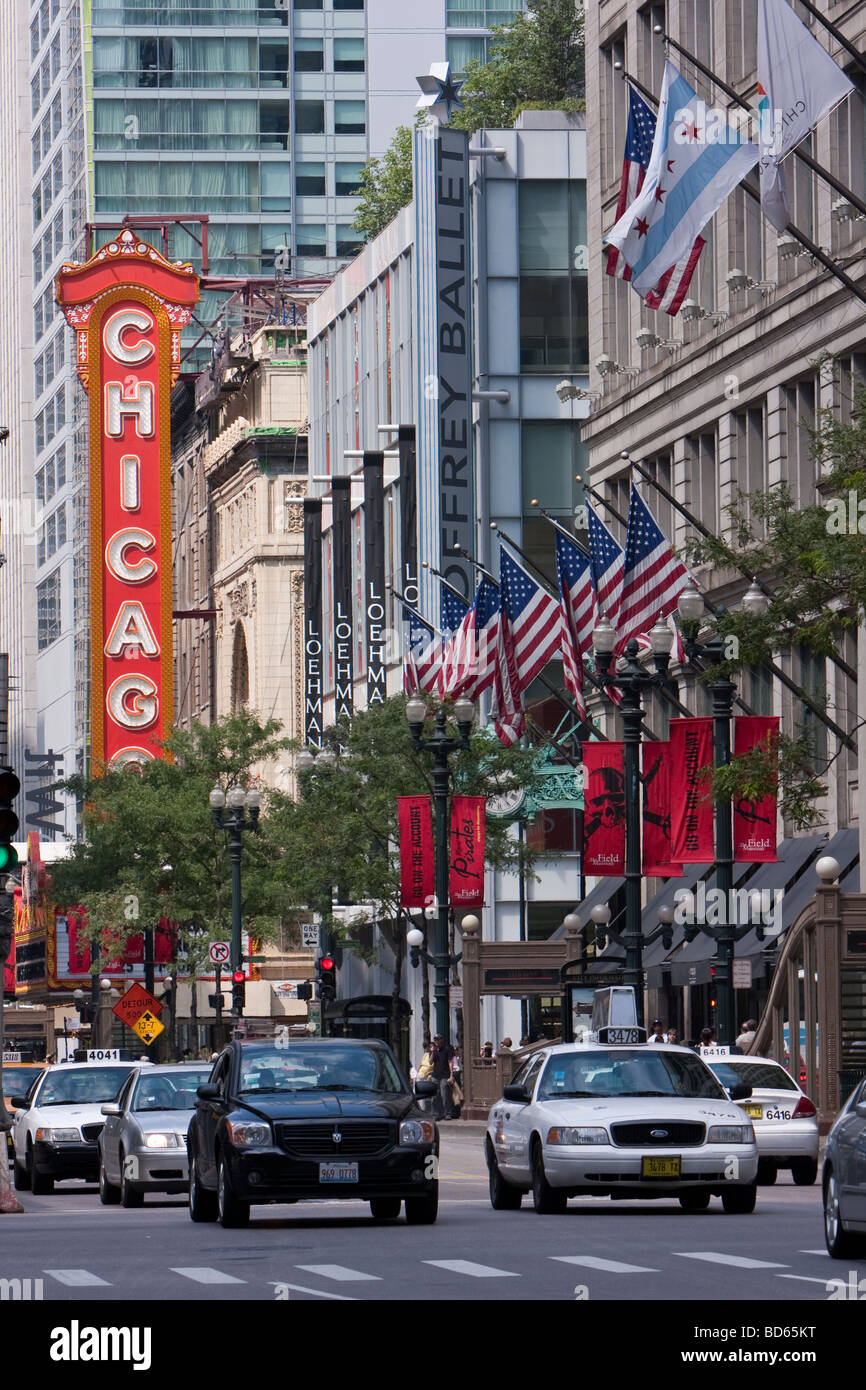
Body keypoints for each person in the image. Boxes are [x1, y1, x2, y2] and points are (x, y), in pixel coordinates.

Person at [429, 1034, 454, 1119]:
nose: (436, 1041)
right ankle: (436, 1114)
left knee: (445, 1094)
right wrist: (432, 1052)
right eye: (435, 1040)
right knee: (434, 1096)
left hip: (445, 1075)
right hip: (435, 1075)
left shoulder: (447, 1049)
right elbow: (430, 1062)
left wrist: (451, 1074)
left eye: (438, 1039)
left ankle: (447, 1113)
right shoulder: (434, 1051)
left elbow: (450, 1062)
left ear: (441, 1040)